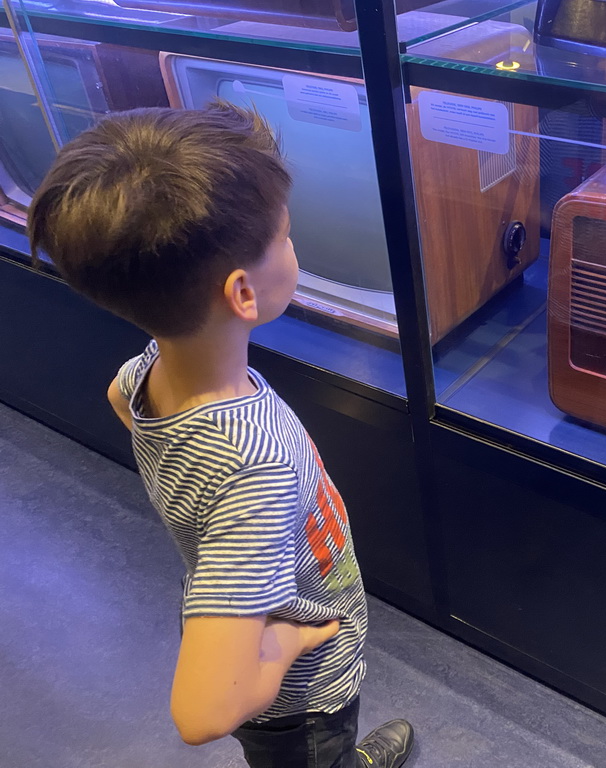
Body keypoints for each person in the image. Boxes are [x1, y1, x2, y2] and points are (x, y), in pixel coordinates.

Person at [27, 103, 414, 768]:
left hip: (262, 625)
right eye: (286, 238)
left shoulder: (155, 364)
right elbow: (202, 714)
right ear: (241, 293)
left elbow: (120, 397)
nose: (294, 247)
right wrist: (287, 644)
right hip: (299, 698)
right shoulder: (254, 465)